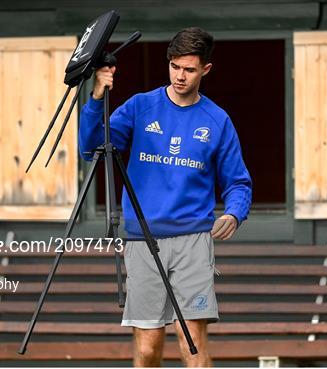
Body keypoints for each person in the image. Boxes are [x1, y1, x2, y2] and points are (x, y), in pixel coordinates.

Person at [78, 27, 252, 367]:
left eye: (188, 69)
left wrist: (234, 212)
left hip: (192, 239)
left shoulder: (217, 120)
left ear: (206, 70)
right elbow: (91, 148)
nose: (180, 76)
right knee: (147, 349)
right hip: (142, 238)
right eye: (174, 67)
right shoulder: (141, 107)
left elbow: (238, 182)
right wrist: (97, 97)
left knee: (193, 343)